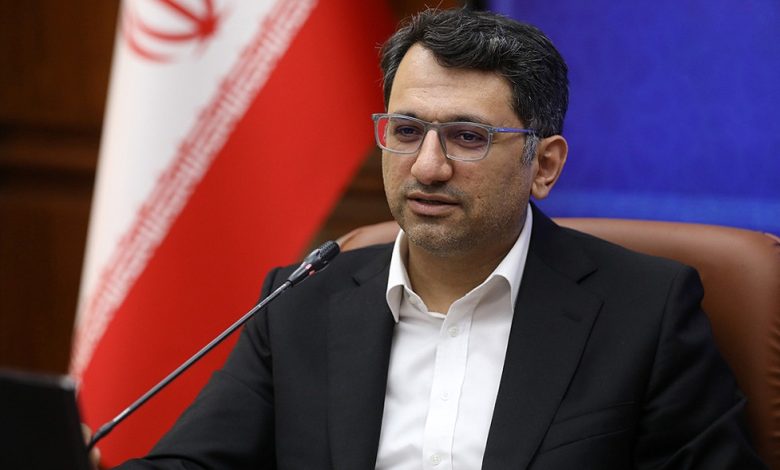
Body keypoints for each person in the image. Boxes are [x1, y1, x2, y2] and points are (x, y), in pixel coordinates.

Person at [116, 8, 765, 469]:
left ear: (544, 166)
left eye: (468, 136)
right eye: (406, 131)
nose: (427, 166)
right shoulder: (302, 302)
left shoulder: (645, 312)